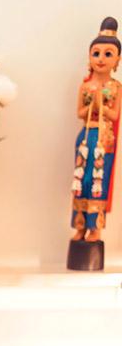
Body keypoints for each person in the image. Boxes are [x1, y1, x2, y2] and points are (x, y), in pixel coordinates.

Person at [71, 17, 120, 242]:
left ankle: (96, 227)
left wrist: (101, 104)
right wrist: (94, 104)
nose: (101, 59)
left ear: (117, 59)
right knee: (82, 180)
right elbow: (80, 112)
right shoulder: (85, 85)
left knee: (99, 180)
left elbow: (114, 115)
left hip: (104, 138)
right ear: (89, 57)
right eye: (96, 53)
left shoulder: (116, 87)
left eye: (108, 54)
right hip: (86, 137)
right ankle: (80, 225)